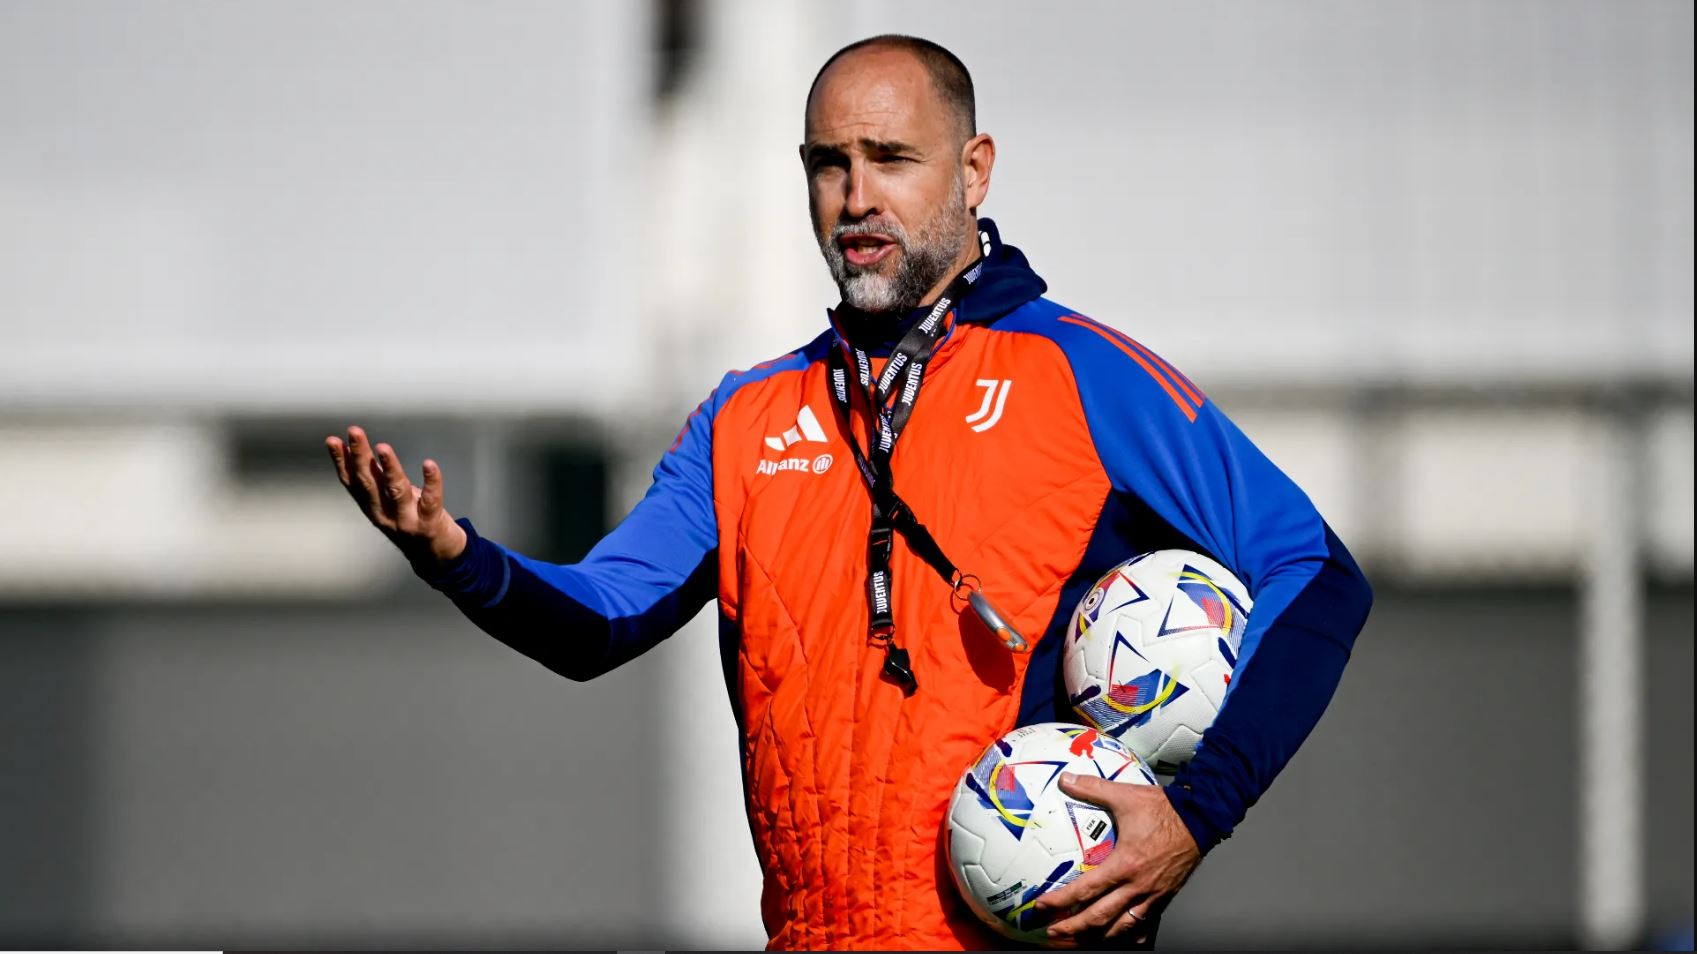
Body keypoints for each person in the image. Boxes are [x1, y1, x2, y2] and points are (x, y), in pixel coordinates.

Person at [325, 34, 1373, 950]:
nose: (856, 197)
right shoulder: (744, 418)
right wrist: (458, 559)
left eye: (890, 159)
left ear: (973, 170)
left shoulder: (1083, 375)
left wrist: (1194, 817)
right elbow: (598, 619)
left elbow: (1314, 571)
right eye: (828, 164)